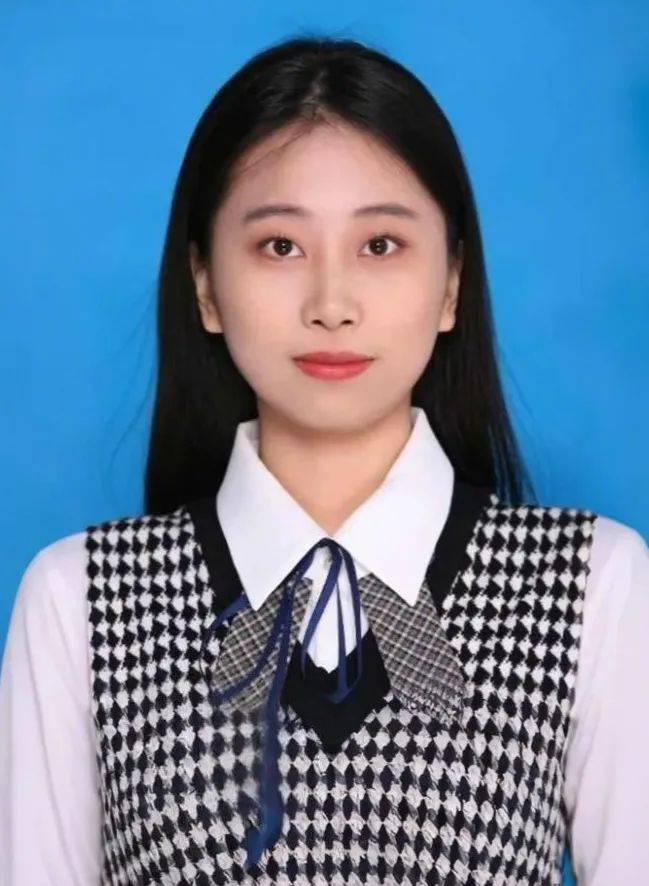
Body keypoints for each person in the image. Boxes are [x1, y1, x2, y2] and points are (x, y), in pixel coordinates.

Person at [1, 34, 648, 886]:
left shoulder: (589, 584)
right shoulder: (81, 600)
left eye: (380, 245)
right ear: (205, 286)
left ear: (451, 283)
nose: (331, 304)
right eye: (280, 247)